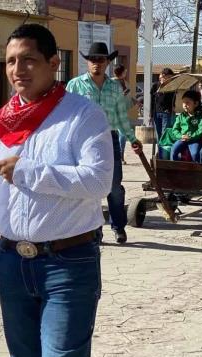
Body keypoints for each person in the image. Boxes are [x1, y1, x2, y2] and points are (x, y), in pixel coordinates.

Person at [0, 24, 112, 357]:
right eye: (11, 61)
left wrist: (30, 172)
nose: (19, 70)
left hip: (68, 264)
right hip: (11, 263)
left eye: (29, 60)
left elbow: (99, 181)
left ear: (53, 63)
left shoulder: (83, 116)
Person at [66, 41, 143, 244]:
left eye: (101, 60)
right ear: (87, 62)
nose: (96, 64)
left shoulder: (114, 87)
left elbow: (121, 116)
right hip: (83, 141)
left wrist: (132, 139)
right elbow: (66, 114)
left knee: (114, 186)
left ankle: (118, 227)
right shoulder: (75, 85)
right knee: (89, 187)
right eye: (93, 60)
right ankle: (94, 230)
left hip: (109, 139)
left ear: (108, 62)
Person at [167, 90, 202, 162]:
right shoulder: (181, 116)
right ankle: (173, 168)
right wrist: (181, 136)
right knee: (174, 150)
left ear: (196, 104)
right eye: (183, 102)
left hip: (194, 140)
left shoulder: (200, 116)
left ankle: (196, 170)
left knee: (195, 153)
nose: (184, 105)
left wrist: (191, 136)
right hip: (182, 139)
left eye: (187, 102)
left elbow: (201, 129)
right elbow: (175, 129)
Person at [151, 68, 175, 140]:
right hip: (156, 112)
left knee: (164, 133)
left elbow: (172, 100)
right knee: (158, 133)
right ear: (163, 76)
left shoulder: (172, 87)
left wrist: (171, 110)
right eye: (169, 77)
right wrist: (151, 113)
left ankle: (162, 150)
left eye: (171, 78)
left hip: (166, 112)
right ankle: (160, 150)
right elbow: (152, 99)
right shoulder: (156, 86)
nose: (170, 79)